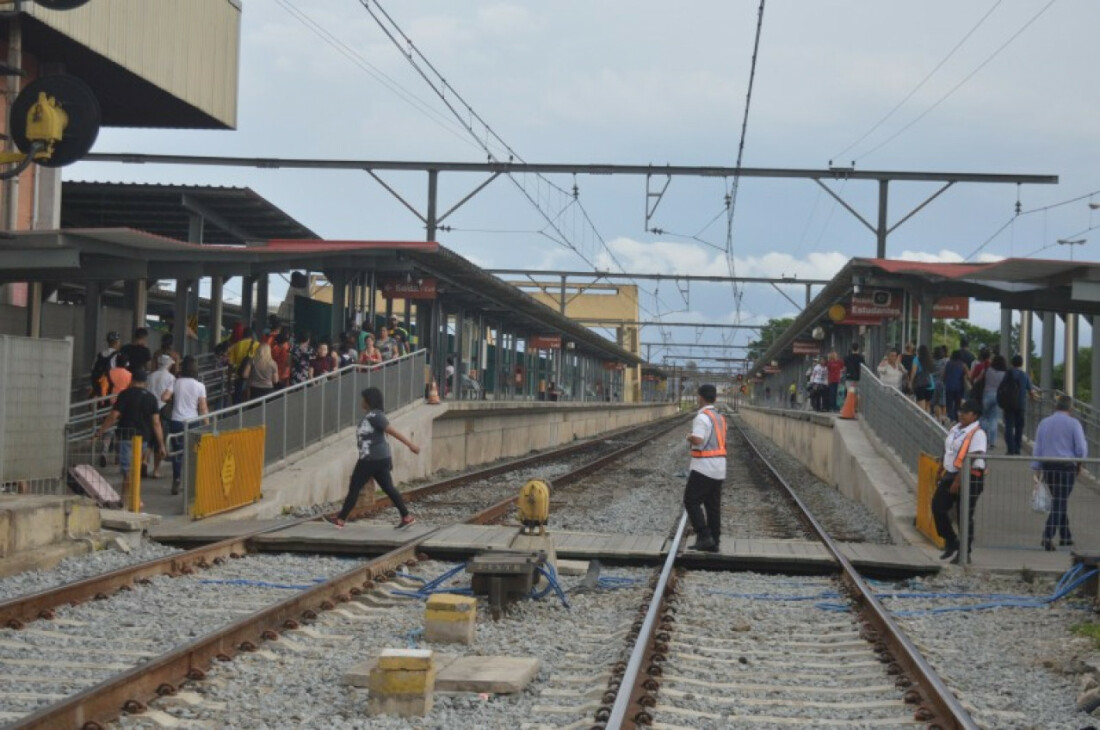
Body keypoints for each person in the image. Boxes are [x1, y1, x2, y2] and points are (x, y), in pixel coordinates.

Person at [325, 387, 420, 529]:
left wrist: (410, 445)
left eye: (363, 398)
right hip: (378, 458)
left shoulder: (376, 416)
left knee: (355, 487)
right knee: (388, 488)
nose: (361, 401)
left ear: (369, 400)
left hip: (370, 459)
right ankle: (406, 517)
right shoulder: (372, 416)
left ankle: (340, 520)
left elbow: (391, 431)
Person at [92, 369, 167, 503]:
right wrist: (161, 445)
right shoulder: (151, 398)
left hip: (125, 435)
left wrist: (101, 431)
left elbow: (114, 416)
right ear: (146, 383)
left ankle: (127, 498)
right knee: (135, 468)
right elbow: (156, 423)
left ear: (132, 380)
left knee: (127, 470)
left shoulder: (125, 395)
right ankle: (133, 497)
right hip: (143, 438)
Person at [931, 400, 986, 563]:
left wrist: (957, 481)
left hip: (970, 477)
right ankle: (951, 540)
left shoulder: (978, 433)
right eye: (960, 411)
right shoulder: (955, 429)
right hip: (951, 473)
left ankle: (964, 552)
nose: (961, 414)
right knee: (938, 507)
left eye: (965, 412)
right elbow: (948, 449)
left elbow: (971, 459)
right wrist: (941, 467)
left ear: (974, 416)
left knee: (965, 515)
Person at [1031, 395, 1087, 551]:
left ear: (1055, 407)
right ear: (1070, 409)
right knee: (1060, 501)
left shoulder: (1044, 423)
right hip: (1066, 467)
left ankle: (1066, 536)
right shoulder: (1074, 424)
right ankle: (1047, 535)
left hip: (1049, 466)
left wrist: (1036, 467)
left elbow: (1038, 447)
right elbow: (1081, 448)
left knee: (1059, 499)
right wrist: (1080, 463)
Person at [684, 384, 727, 552]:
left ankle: (703, 535)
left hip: (704, 466)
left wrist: (689, 436)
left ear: (701, 397)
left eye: (697, 396)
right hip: (719, 467)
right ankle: (714, 540)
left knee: (691, 500)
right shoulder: (719, 417)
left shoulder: (702, 418)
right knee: (712, 505)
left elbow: (698, 440)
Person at [169, 356, 209, 495]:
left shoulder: (176, 382)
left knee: (177, 453)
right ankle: (192, 482)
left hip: (176, 421)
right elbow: (203, 408)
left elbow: (165, 397)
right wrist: (207, 425)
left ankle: (177, 479)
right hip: (192, 421)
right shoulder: (200, 386)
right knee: (193, 452)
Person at [146, 354, 176, 479]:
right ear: (168, 364)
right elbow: (167, 396)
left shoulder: (150, 376)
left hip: (148, 410)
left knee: (148, 440)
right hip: (163, 411)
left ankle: (144, 463)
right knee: (160, 441)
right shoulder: (171, 378)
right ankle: (156, 470)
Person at [1002, 355, 1034, 455]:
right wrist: (1033, 398)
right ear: (1021, 363)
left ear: (1012, 363)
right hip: (1021, 405)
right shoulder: (1024, 375)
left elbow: (1002, 387)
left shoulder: (1007, 374)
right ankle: (1017, 448)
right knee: (1019, 427)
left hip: (1009, 404)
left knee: (1009, 426)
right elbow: (1030, 390)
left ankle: (1010, 449)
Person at [977, 354, 1007, 449]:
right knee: (994, 419)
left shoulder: (988, 370)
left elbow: (979, 379)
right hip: (998, 396)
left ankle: (985, 439)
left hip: (987, 394)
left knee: (984, 417)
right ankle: (993, 442)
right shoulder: (1004, 374)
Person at [227, 328, 259, 404]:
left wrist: (229, 380)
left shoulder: (235, 346)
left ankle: (237, 413)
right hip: (252, 377)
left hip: (239, 376)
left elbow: (230, 365)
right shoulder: (257, 345)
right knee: (251, 400)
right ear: (252, 335)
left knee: (238, 399)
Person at [90, 331, 122, 397]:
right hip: (110, 388)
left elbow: (92, 368)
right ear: (116, 342)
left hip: (98, 386)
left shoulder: (99, 355)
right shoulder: (118, 356)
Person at [943, 350, 968, 423]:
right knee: (957, 404)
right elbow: (969, 375)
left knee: (949, 404)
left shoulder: (948, 363)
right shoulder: (963, 365)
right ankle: (956, 420)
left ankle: (951, 419)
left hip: (949, 386)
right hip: (959, 387)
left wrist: (945, 382)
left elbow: (944, 376)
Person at [909, 344, 936, 413]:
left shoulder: (916, 359)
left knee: (921, 408)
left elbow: (914, 372)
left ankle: (921, 422)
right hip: (931, 385)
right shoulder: (930, 360)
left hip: (920, 384)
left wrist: (910, 382)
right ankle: (927, 422)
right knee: (928, 406)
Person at [932, 346, 949, 424]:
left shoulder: (932, 362)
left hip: (934, 383)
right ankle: (944, 418)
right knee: (943, 402)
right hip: (943, 383)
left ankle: (938, 419)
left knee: (936, 403)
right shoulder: (946, 361)